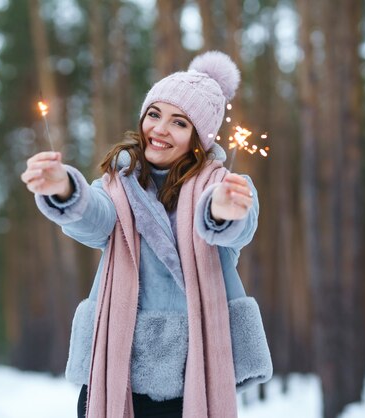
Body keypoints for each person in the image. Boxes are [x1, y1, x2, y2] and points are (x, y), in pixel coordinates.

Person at [21, 51, 272, 418]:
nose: (159, 129)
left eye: (179, 123)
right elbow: (96, 217)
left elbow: (238, 229)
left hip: (194, 369)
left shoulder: (226, 186)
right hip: (117, 363)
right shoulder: (116, 185)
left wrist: (221, 212)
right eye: (154, 114)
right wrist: (64, 190)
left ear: (199, 138)